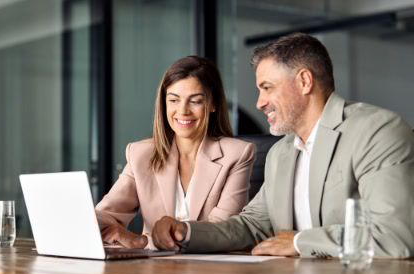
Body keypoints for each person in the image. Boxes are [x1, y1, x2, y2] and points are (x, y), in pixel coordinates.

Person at [152, 32, 414, 258]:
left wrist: (300, 242)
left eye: (267, 88)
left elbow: (394, 236)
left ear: (304, 81)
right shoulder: (281, 153)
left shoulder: (377, 131)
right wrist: (185, 231)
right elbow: (251, 225)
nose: (259, 102)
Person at [96, 56, 256, 249]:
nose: (183, 110)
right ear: (164, 104)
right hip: (155, 271)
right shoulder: (141, 153)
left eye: (195, 101)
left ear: (213, 104)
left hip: (212, 269)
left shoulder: (237, 154)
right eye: (173, 100)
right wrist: (86, 219)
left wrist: (143, 241)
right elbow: (108, 213)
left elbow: (222, 231)